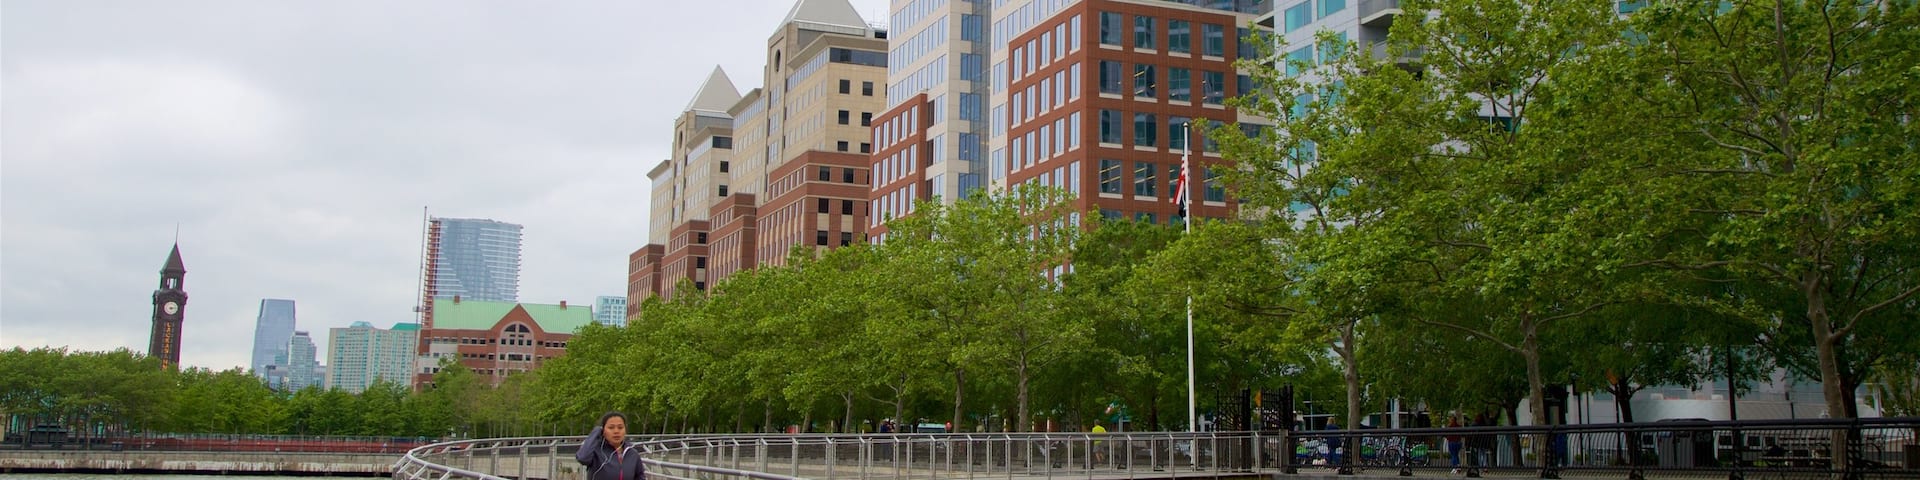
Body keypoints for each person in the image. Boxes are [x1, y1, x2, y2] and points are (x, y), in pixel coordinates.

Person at [577, 411, 644, 480]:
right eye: (611, 428)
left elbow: (640, 476)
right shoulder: (596, 451)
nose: (616, 431)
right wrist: (596, 432)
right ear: (603, 431)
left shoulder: (633, 453)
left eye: (620, 427)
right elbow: (582, 458)